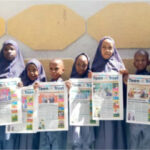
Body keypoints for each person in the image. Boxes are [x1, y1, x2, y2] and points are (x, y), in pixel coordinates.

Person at [91, 36, 127, 149]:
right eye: (104, 47)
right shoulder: (95, 67)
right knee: (101, 138)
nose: (107, 50)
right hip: (100, 111)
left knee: (115, 137)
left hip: (115, 110)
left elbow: (125, 89)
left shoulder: (119, 67)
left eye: (110, 48)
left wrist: (125, 78)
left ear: (114, 49)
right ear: (99, 49)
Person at [16, 58, 46, 149]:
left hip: (38, 121)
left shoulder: (43, 85)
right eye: (28, 70)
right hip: (25, 121)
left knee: (35, 143)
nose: (31, 73)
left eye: (34, 70)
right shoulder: (23, 84)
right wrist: (19, 89)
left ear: (40, 71)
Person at [0, 39, 25, 149]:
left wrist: (22, 86)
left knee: (11, 139)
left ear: (17, 51)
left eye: (12, 49)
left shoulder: (23, 70)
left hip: (14, 112)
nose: (8, 51)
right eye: (6, 49)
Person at [67, 53, 95, 150]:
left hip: (87, 116)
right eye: (78, 64)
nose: (81, 67)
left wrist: (93, 81)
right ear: (74, 64)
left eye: (84, 65)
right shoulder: (70, 81)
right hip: (75, 116)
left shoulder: (91, 79)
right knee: (75, 138)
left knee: (87, 140)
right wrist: (66, 89)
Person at [39, 58, 67, 150]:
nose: (53, 71)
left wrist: (69, 90)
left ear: (63, 70)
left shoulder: (65, 85)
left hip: (58, 125)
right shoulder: (45, 86)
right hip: (46, 124)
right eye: (51, 69)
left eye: (56, 68)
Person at [127, 49, 150, 149]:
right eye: (137, 60)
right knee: (133, 143)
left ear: (148, 62)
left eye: (143, 60)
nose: (140, 62)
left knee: (147, 142)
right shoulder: (130, 78)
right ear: (134, 63)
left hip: (147, 117)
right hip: (134, 117)